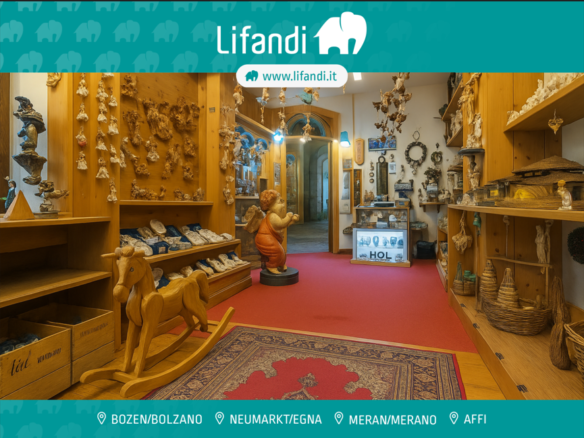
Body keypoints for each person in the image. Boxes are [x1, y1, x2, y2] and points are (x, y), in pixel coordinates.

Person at [255, 190, 299, 275]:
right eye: (279, 202)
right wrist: (288, 216)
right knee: (277, 251)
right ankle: (271, 266)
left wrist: (292, 220)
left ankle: (280, 264)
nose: (282, 205)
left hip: (267, 237)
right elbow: (282, 224)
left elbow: (282, 226)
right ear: (270, 205)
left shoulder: (273, 215)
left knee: (281, 250)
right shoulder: (272, 216)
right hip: (264, 238)